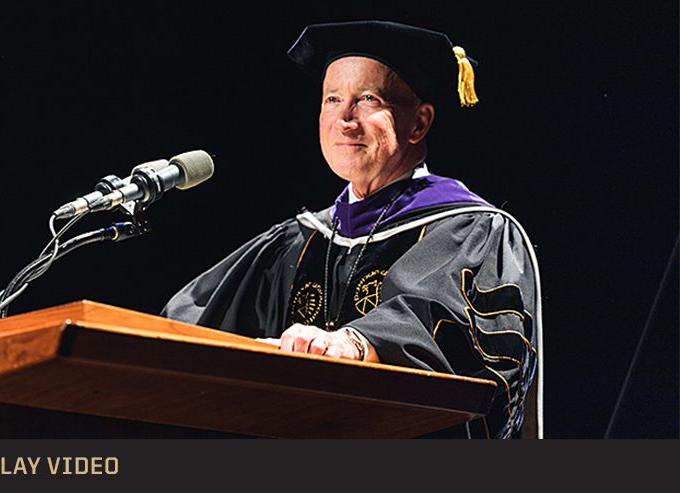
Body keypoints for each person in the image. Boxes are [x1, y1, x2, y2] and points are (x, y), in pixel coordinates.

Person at [161, 20, 542, 439]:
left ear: (418, 124)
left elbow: (475, 351)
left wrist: (360, 344)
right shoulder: (296, 242)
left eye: (368, 99)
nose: (344, 118)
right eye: (332, 99)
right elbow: (185, 325)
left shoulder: (473, 232)